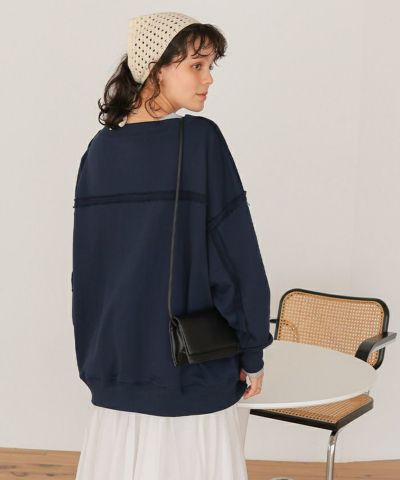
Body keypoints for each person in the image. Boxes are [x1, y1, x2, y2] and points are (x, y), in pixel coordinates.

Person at [72, 11, 273, 480]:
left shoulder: (98, 151)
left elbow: (87, 272)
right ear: (156, 68)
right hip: (190, 371)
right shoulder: (200, 142)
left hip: (116, 369)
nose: (208, 79)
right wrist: (252, 349)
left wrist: (98, 360)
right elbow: (235, 259)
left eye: (210, 66)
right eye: (196, 66)